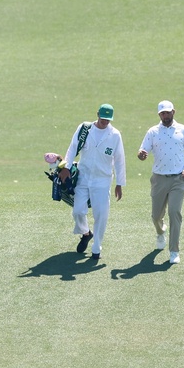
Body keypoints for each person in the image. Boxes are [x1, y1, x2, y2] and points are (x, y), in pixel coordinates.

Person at [57, 104, 126, 261]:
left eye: (108, 120)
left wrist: (120, 183)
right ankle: (86, 233)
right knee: (78, 211)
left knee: (101, 214)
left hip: (103, 180)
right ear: (97, 115)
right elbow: (73, 147)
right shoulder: (85, 129)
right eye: (103, 119)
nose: (105, 122)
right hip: (83, 177)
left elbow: (120, 160)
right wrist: (67, 167)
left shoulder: (115, 135)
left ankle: (97, 247)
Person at [137, 101, 184, 265]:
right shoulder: (153, 132)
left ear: (173, 112)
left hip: (178, 179)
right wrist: (141, 154)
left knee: (174, 212)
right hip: (159, 179)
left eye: (168, 112)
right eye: (163, 113)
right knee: (156, 216)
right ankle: (160, 232)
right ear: (159, 115)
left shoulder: (182, 130)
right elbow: (143, 151)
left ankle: (174, 251)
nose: (166, 116)